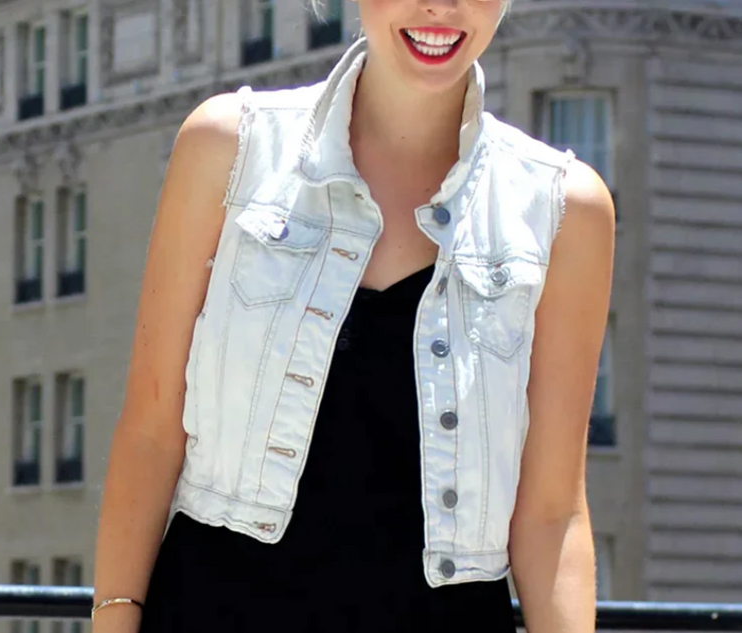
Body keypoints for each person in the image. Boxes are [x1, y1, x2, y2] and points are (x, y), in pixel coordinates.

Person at [91, 0, 614, 631]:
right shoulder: (229, 148)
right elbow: (151, 431)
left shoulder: (563, 209)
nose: (442, 6)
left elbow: (551, 512)